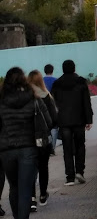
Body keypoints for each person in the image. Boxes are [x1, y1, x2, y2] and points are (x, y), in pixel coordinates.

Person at [0, 67, 52, 219]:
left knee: (14, 187)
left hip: (6, 150)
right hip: (28, 149)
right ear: (23, 80)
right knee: (25, 187)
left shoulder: (1, 101)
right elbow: (49, 121)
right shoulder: (33, 98)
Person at [51, 60, 92, 186]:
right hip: (79, 120)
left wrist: (55, 120)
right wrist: (88, 119)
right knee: (80, 145)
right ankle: (80, 171)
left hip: (64, 122)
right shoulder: (81, 82)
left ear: (63, 69)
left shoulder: (57, 84)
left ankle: (70, 177)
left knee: (67, 148)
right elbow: (86, 102)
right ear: (74, 68)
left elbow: (53, 104)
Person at [27, 70, 58, 211]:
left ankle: (31, 198)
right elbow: (52, 119)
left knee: (29, 168)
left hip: (26, 139)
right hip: (42, 138)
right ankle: (43, 195)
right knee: (43, 166)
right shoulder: (45, 96)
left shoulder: (24, 98)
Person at [42, 64, 58, 156]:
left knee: (46, 128)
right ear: (52, 70)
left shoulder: (42, 81)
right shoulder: (56, 81)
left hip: (43, 107)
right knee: (54, 128)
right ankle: (52, 148)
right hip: (54, 107)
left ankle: (47, 148)